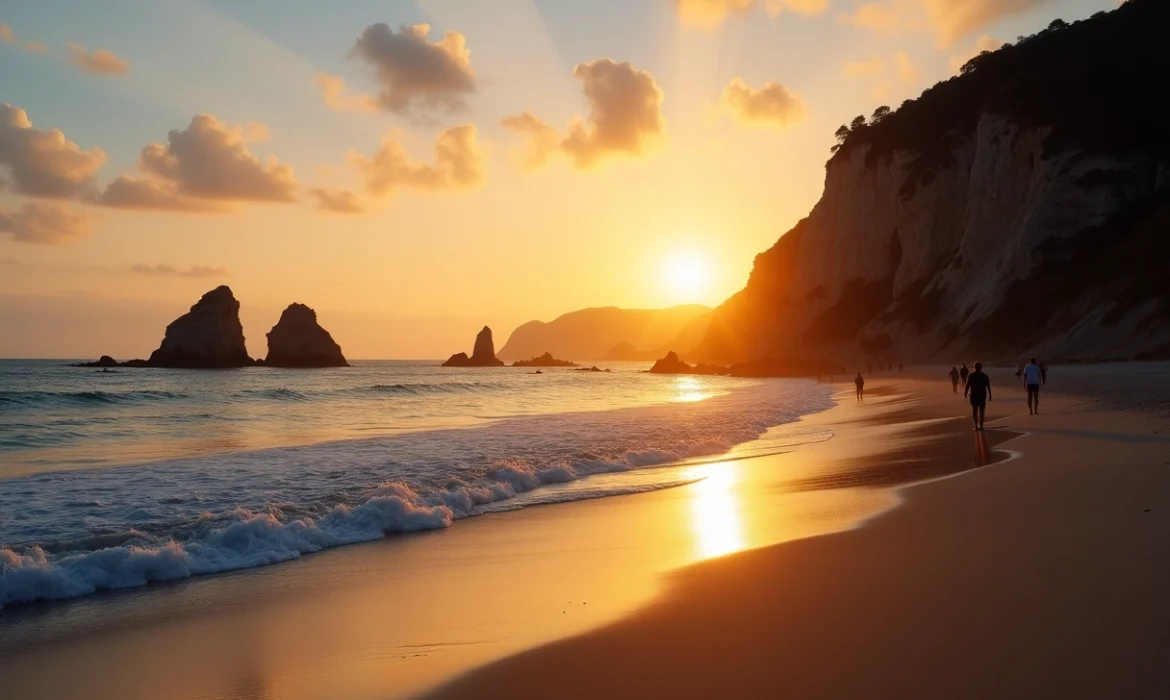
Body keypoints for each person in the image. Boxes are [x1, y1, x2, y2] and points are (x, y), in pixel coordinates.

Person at [964, 361, 992, 430]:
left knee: (975, 410)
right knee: (981, 411)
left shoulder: (971, 376)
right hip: (982, 395)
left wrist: (965, 393)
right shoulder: (984, 376)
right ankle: (981, 425)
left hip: (974, 395)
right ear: (981, 368)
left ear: (974, 368)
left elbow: (967, 386)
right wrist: (990, 394)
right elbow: (988, 386)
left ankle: (976, 426)